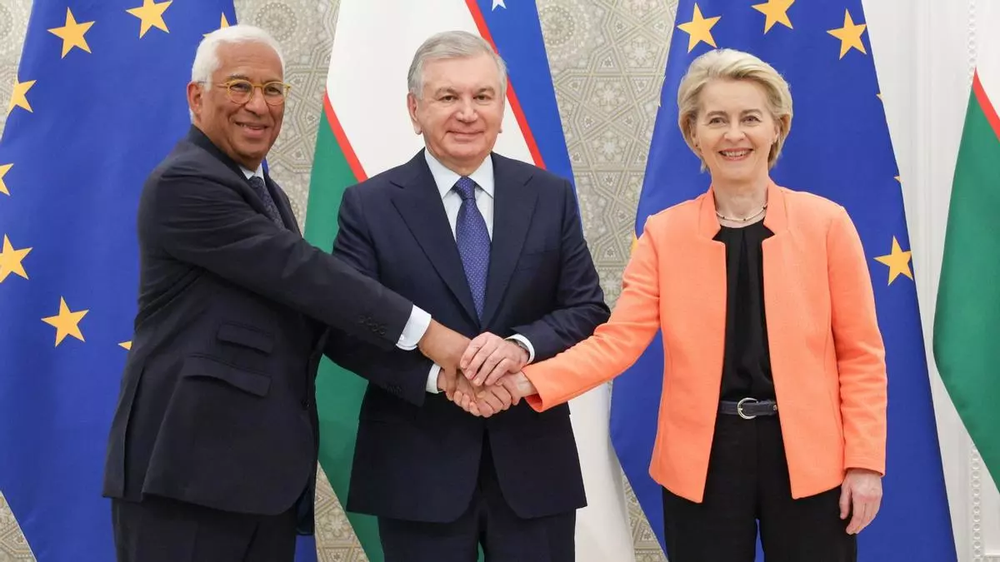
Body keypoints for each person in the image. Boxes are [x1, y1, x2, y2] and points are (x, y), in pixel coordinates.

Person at [473, 48, 888, 562]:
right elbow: (617, 342)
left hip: (811, 458)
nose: (734, 135)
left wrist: (865, 463)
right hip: (703, 461)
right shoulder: (664, 233)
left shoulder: (827, 224)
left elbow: (861, 355)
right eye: (716, 120)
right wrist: (528, 380)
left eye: (750, 118)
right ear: (694, 134)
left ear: (777, 128)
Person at [102, 24, 468, 562]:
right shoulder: (185, 183)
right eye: (240, 86)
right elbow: (303, 274)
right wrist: (433, 335)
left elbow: (313, 319)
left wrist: (435, 375)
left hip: (255, 483)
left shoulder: (263, 192)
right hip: (187, 481)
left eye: (273, 90)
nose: (259, 104)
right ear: (196, 96)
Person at [323, 30, 609, 562]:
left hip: (533, 464)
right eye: (448, 97)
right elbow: (345, 327)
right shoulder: (369, 205)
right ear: (415, 109)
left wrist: (521, 346)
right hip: (415, 467)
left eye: (482, 96)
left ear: (502, 108)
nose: (467, 113)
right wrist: (438, 376)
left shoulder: (549, 195)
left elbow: (587, 309)